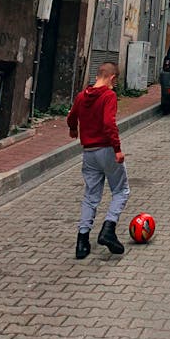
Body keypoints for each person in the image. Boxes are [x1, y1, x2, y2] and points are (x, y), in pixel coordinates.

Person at [67, 60, 130, 258]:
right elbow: (108, 123)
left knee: (91, 196)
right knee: (121, 190)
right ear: (111, 78)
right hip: (106, 150)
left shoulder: (81, 96)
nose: (114, 85)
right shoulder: (108, 96)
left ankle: (82, 241)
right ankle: (108, 229)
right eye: (115, 81)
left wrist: (73, 129)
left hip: (89, 153)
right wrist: (117, 149)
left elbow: (71, 116)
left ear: (97, 76)